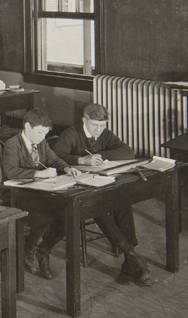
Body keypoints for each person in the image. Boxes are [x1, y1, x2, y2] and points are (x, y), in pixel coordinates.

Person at [52, 103, 153, 286]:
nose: (99, 130)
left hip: (98, 183)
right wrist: (80, 159)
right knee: (99, 206)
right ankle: (132, 258)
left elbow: (127, 151)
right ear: (84, 120)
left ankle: (130, 258)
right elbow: (54, 156)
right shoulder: (71, 134)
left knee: (123, 201)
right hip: (74, 188)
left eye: (103, 126)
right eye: (94, 125)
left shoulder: (104, 133)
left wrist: (101, 155)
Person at [3, 109, 82, 280]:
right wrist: (37, 174)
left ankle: (40, 249)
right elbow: (10, 171)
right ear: (27, 126)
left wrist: (67, 167)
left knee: (66, 214)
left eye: (45, 133)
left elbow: (53, 159)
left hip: (37, 191)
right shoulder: (13, 143)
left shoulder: (41, 142)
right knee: (48, 212)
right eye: (40, 132)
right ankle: (31, 248)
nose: (42, 137)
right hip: (14, 194)